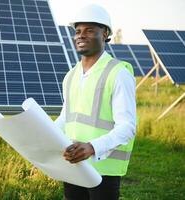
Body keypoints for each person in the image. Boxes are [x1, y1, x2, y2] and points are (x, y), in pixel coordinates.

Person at [55, 4, 136, 200]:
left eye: (89, 30)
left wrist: (92, 147)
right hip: (74, 165)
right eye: (78, 31)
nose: (81, 35)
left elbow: (127, 127)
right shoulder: (70, 76)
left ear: (105, 33)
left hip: (104, 169)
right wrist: (40, 137)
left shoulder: (118, 73)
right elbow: (65, 118)